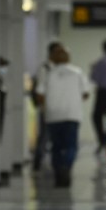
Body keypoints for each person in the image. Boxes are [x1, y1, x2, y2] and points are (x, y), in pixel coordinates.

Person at [35, 44, 90, 187]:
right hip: (72, 115)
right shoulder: (77, 72)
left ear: (53, 58)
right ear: (68, 58)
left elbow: (40, 95)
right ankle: (66, 166)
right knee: (71, 146)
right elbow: (86, 93)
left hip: (53, 116)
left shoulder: (48, 74)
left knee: (56, 147)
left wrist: (49, 105)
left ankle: (59, 172)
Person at [32, 42, 63, 171]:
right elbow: (40, 90)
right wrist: (45, 107)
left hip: (59, 109)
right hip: (47, 108)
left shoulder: (61, 68)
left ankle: (55, 163)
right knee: (44, 136)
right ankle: (38, 161)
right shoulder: (44, 68)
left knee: (56, 137)